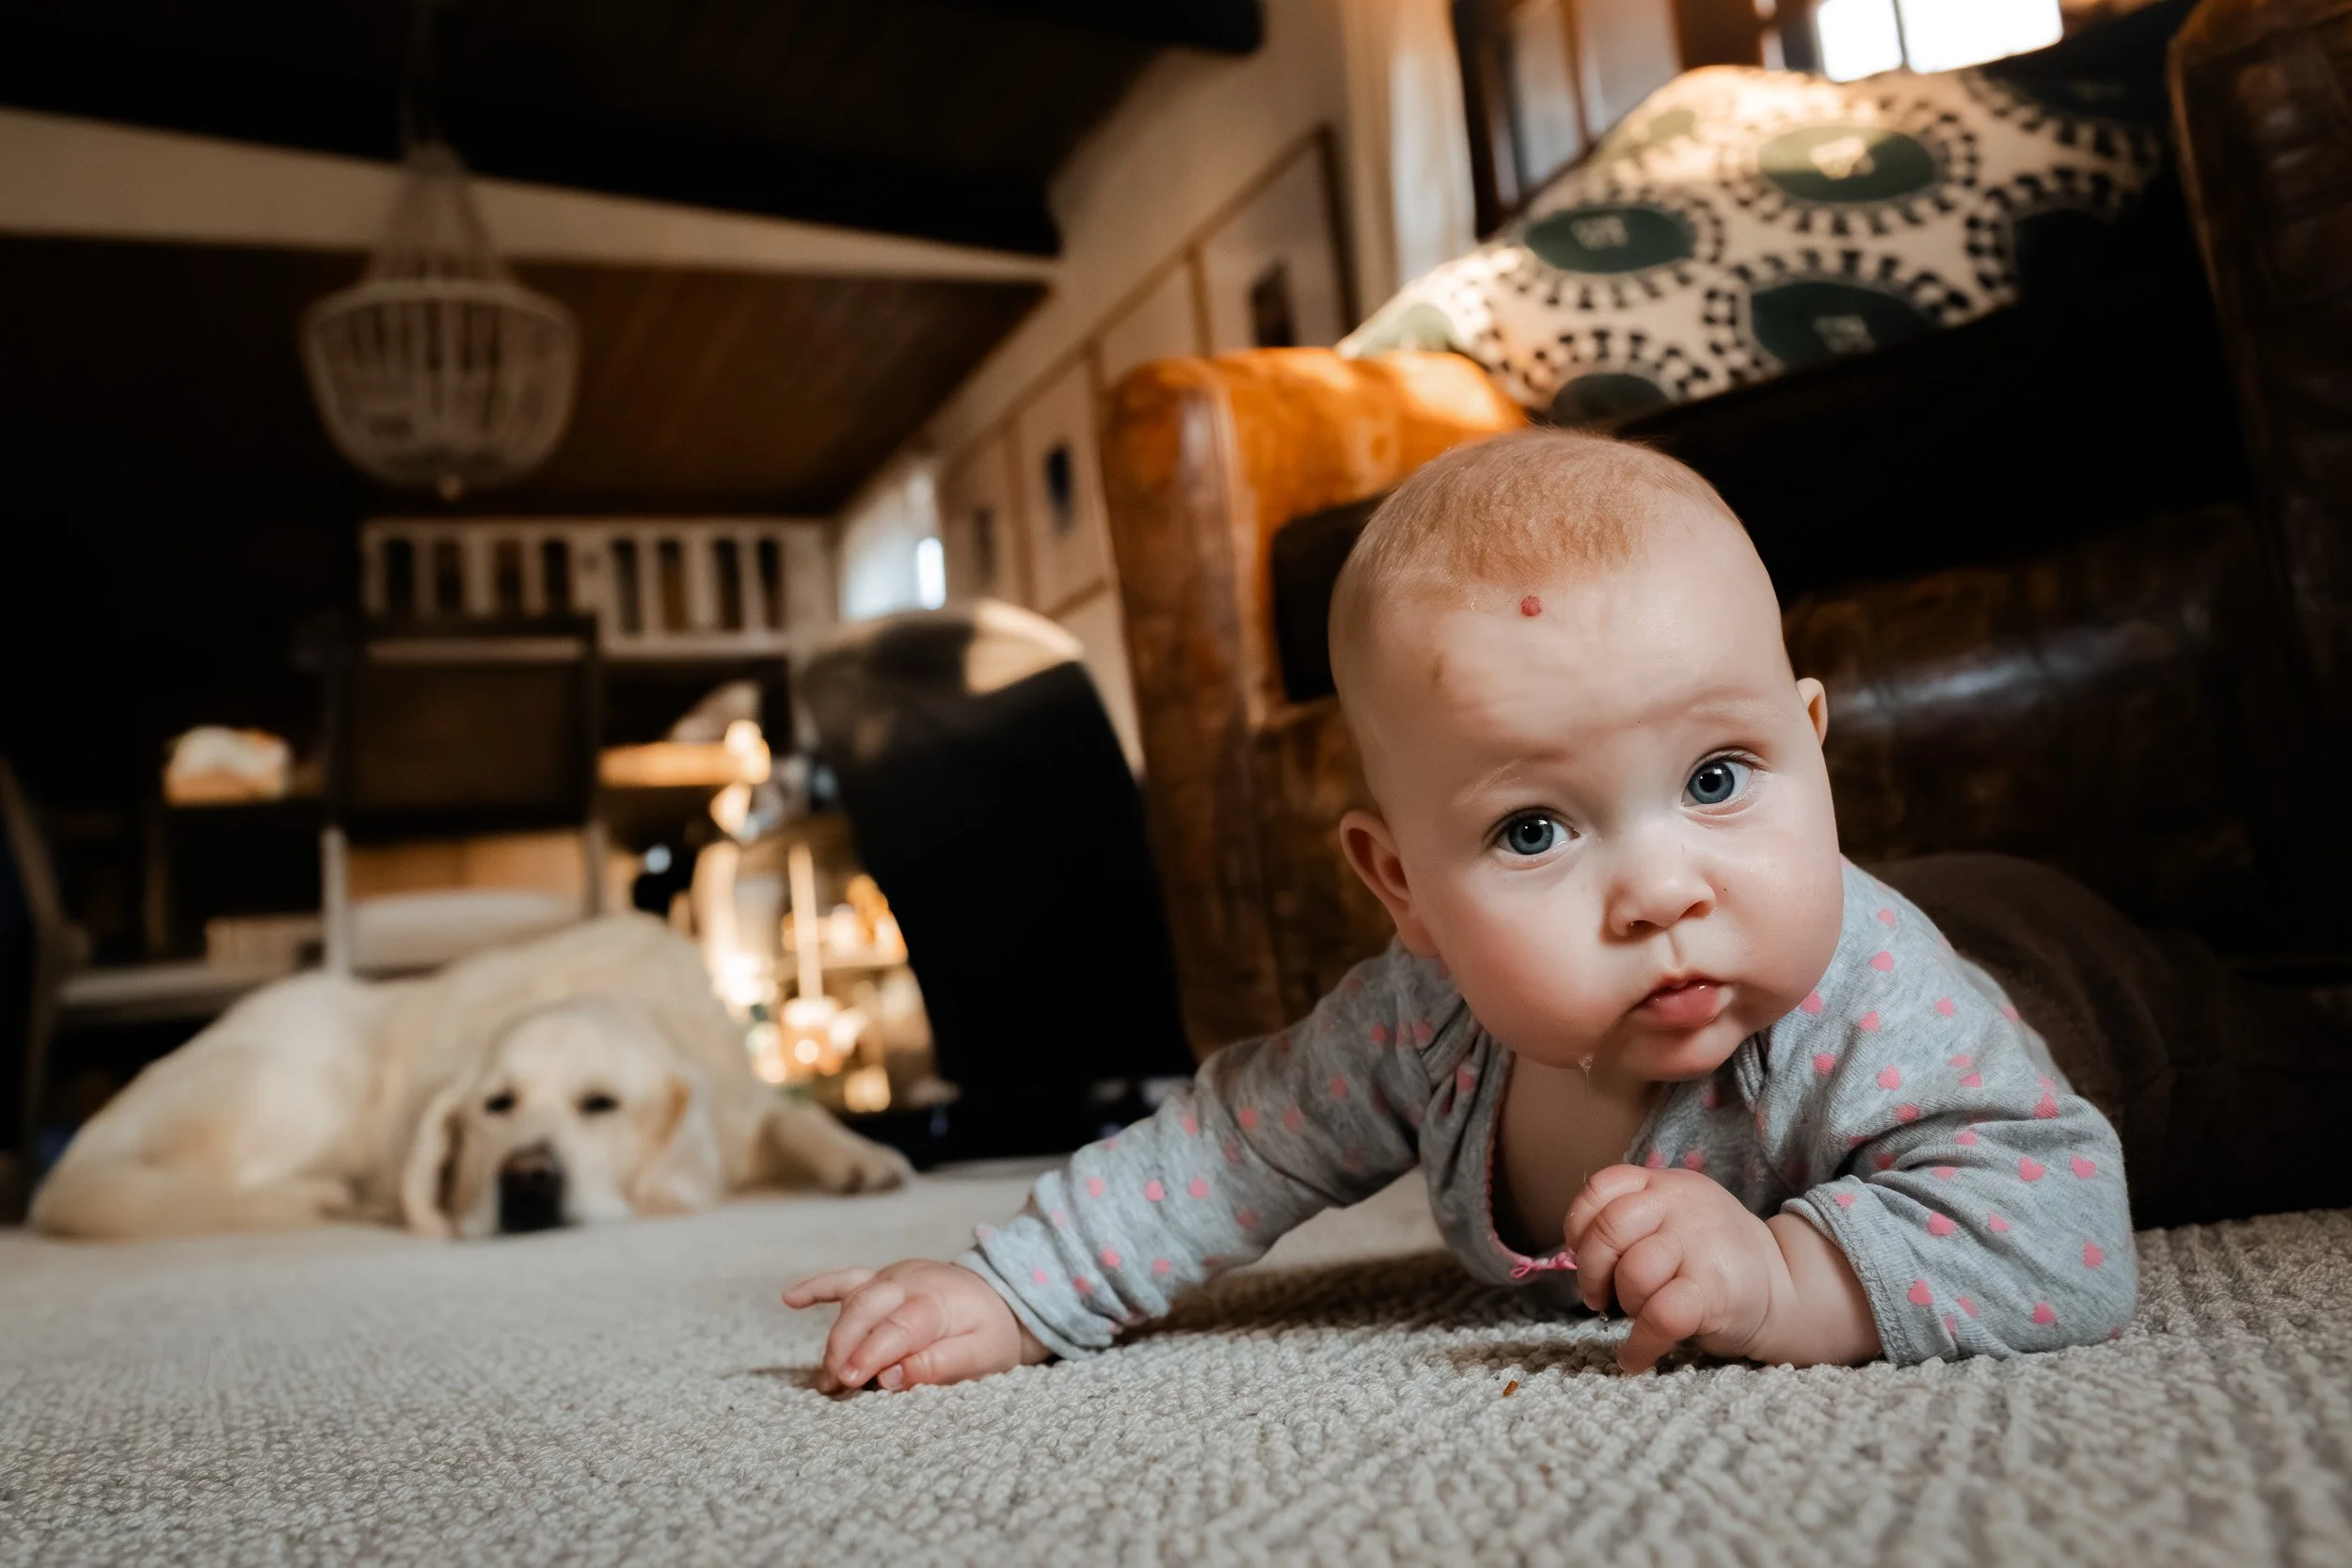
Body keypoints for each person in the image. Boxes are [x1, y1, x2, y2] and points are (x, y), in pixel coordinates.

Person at [785, 428, 2352, 1389]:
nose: (1664, 886)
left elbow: (2067, 1226)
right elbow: (1231, 1141)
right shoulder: (1423, 1020)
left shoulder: (1877, 1002)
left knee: (2304, 1074)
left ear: (1814, 744)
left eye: (1725, 775)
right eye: (1535, 826)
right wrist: (1013, 1285)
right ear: (1402, 888)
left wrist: (1788, 1280)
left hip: (2087, 1002)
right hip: (1932, 938)